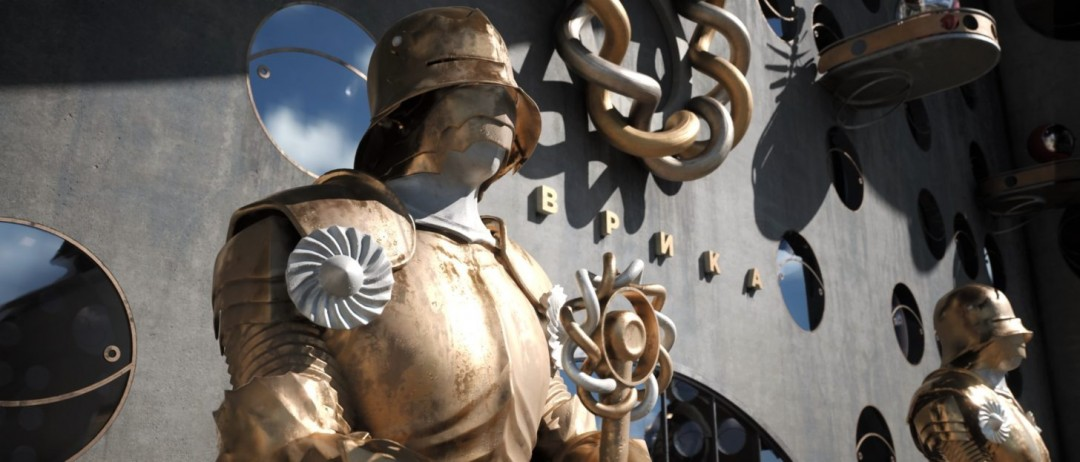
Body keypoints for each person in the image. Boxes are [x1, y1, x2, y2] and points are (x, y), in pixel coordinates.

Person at [210, 7, 645, 461]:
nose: (498, 103)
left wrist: (613, 444)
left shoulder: (522, 272)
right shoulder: (301, 230)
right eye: (470, 88)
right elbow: (282, 433)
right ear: (406, 112)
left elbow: (555, 420)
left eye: (505, 94)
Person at [908, 284, 1050, 461]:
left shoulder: (1003, 398)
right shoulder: (943, 395)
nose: (1021, 337)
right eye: (1007, 331)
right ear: (974, 336)